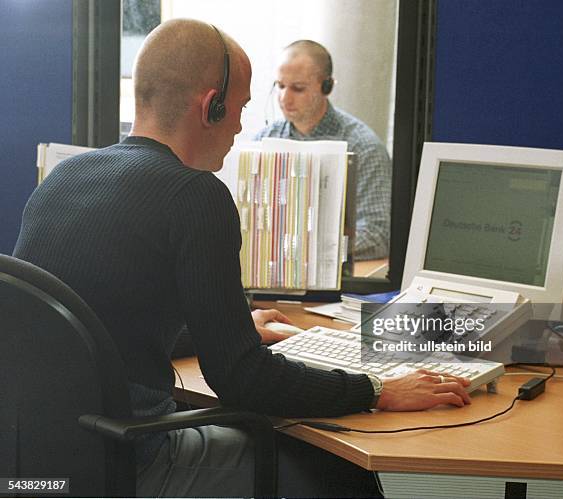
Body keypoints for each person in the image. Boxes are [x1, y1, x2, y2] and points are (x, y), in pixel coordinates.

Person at [13, 19, 470, 497]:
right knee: (336, 469)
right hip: (128, 463)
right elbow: (242, 380)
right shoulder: (195, 196)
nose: (239, 126)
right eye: (240, 107)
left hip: (38, 463)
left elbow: (91, 331)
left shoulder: (64, 179)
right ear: (211, 105)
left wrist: (232, 328)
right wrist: (377, 389)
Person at [255, 40, 392, 260]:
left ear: (326, 87)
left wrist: (306, 249)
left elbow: (378, 235)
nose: (284, 98)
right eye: (280, 86)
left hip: (333, 274)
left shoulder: (363, 147)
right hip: (274, 269)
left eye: (298, 88)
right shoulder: (264, 140)